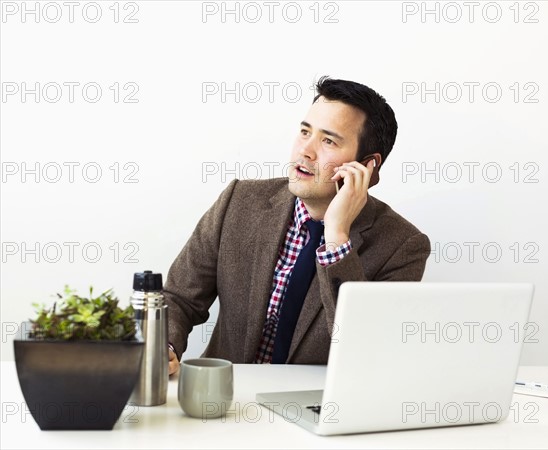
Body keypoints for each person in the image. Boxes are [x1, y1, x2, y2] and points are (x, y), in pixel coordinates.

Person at [165, 76, 431, 374]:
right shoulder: (239, 201)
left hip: (320, 409)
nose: (306, 151)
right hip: (227, 399)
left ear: (368, 166)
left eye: (328, 141)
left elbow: (368, 350)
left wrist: (337, 237)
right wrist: (167, 347)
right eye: (305, 132)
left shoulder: (403, 246)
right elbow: (178, 299)